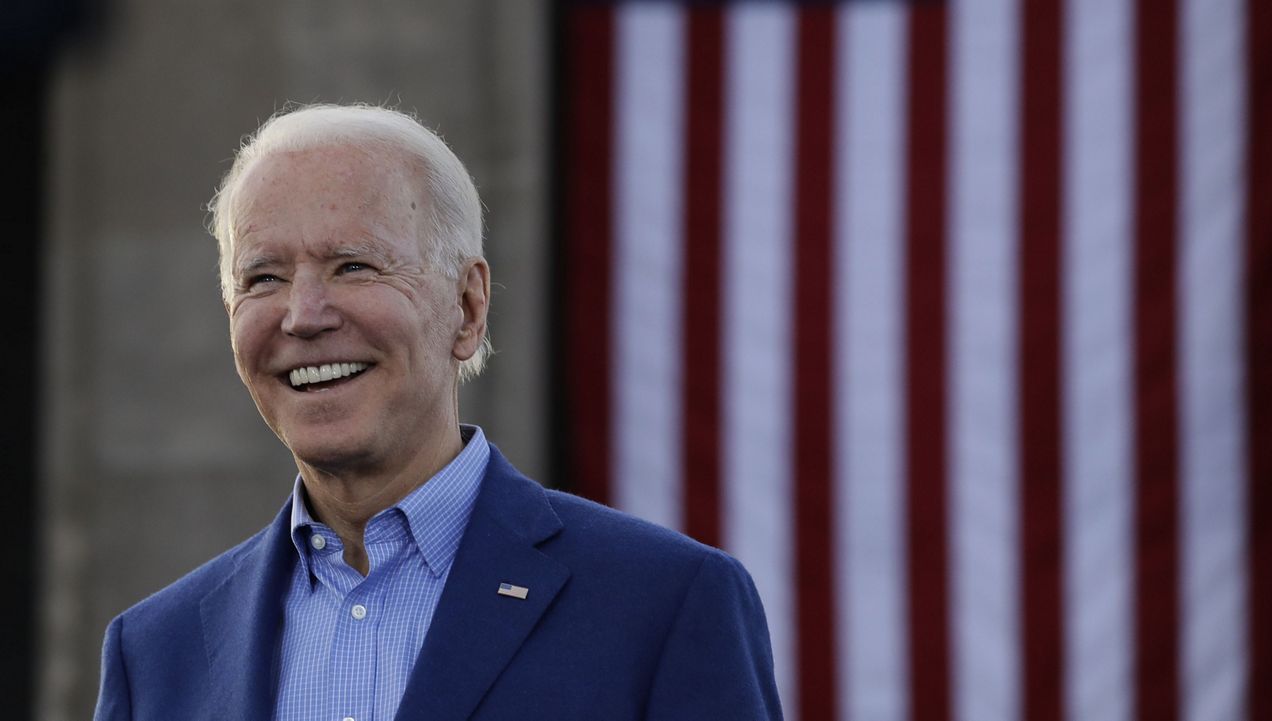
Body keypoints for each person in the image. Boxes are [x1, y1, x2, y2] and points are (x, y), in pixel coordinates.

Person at [93, 104, 782, 721]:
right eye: (263, 278)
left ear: (468, 307)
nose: (302, 316)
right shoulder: (155, 652)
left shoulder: (662, 605)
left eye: (353, 266)